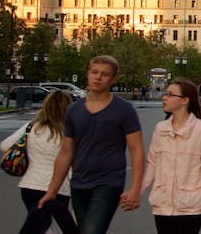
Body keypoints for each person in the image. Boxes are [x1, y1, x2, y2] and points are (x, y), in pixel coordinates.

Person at [40, 55, 145, 234]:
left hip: (108, 182)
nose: (98, 77)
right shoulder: (74, 110)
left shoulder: (124, 110)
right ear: (88, 74)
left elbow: (136, 149)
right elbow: (66, 152)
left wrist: (135, 188)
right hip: (79, 183)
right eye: (94, 72)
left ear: (113, 79)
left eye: (105, 74)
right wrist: (52, 191)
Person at [142, 79, 201, 233]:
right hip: (162, 203)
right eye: (166, 94)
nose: (165, 98)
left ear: (184, 100)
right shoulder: (160, 128)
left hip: (191, 205)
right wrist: (137, 190)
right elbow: (152, 163)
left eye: (170, 95)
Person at [2, 90, 76, 233]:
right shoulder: (68, 132)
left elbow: (5, 145)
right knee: (57, 227)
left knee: (40, 226)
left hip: (30, 184)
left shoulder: (32, 127)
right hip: (59, 187)